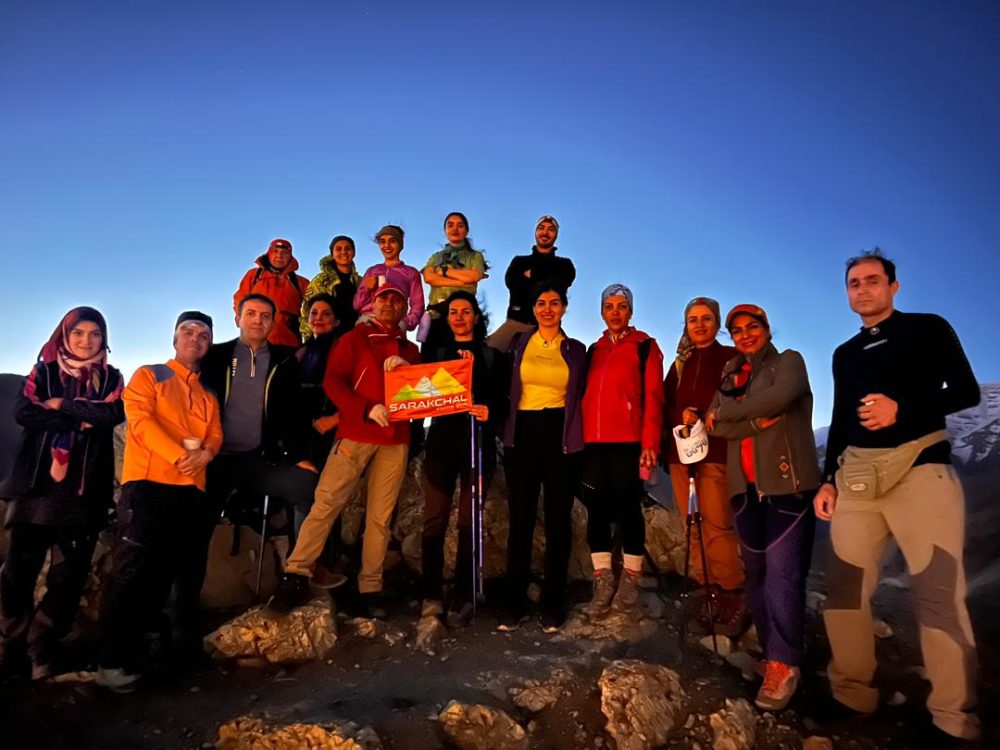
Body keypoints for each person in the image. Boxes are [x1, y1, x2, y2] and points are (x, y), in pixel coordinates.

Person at [814, 250, 981, 744]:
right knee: (845, 589)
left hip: (920, 468)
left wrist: (901, 408)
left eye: (872, 280)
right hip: (856, 476)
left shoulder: (928, 328)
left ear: (893, 286)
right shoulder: (845, 353)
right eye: (854, 283)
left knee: (938, 592)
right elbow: (842, 418)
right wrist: (828, 479)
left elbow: (966, 391)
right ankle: (852, 693)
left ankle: (953, 719)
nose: (862, 289)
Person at [269, 283, 420, 619]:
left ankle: (371, 586)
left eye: (396, 300)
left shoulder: (410, 350)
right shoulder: (353, 339)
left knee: (380, 517)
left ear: (404, 309)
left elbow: (420, 394)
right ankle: (296, 573)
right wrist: (366, 408)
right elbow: (333, 382)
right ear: (372, 305)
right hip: (356, 433)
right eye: (383, 298)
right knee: (327, 502)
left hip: (395, 438)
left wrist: (408, 372)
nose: (389, 304)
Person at [96, 312, 222, 691]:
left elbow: (215, 434)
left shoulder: (207, 394)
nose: (195, 338)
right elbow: (140, 421)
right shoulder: (150, 375)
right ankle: (110, 660)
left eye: (203, 334)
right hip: (148, 485)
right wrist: (180, 456)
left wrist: (207, 454)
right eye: (188, 331)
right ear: (175, 338)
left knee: (167, 574)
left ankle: (148, 654)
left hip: (190, 492)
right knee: (132, 571)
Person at [706, 304, 819, 711]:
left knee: (783, 576)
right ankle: (774, 655)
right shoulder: (731, 376)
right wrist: (751, 422)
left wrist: (728, 413)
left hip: (788, 485)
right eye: (737, 330)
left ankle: (784, 663)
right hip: (745, 489)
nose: (745, 335)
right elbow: (716, 426)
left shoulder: (789, 362)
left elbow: (778, 398)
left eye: (752, 327)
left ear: (767, 329)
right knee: (755, 574)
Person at [0, 308, 124, 680]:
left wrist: (61, 405)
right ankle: (12, 645)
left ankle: (43, 645)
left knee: (68, 576)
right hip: (36, 488)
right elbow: (25, 412)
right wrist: (81, 417)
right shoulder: (43, 373)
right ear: (65, 336)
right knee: (17, 573)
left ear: (104, 339)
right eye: (78, 333)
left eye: (95, 334)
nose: (87, 341)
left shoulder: (112, 378)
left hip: (83, 492)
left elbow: (111, 415)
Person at [198, 294, 316, 620]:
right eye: (250, 313)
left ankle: (297, 575)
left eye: (265, 315)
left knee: (307, 486)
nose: (257, 320)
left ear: (273, 322)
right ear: (237, 318)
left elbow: (296, 413)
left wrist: (297, 456)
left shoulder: (284, 361)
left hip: (260, 459)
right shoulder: (215, 356)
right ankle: (184, 600)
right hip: (215, 459)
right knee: (194, 516)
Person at [500, 283, 586, 633]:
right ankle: (514, 602)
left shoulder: (577, 349)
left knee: (557, 521)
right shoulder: (518, 343)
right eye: (540, 303)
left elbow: (582, 396)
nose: (547, 309)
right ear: (533, 309)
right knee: (520, 519)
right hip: (522, 431)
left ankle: (553, 603)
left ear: (564, 307)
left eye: (554, 303)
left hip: (559, 435)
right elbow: (499, 382)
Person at [419, 291, 506, 628]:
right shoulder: (436, 354)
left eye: (465, 311)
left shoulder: (491, 356)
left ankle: (464, 594)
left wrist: (489, 411)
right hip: (441, 443)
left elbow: (502, 400)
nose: (459, 317)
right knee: (434, 519)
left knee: (469, 521)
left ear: (476, 317)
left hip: (477, 444)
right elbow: (418, 393)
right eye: (453, 311)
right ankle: (431, 593)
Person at [662, 297, 747, 635]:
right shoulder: (680, 364)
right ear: (686, 325)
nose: (699, 324)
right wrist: (679, 415)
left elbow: (744, 401)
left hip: (716, 454)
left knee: (717, 525)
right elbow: (665, 404)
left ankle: (731, 592)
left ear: (717, 323)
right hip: (682, 455)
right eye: (693, 319)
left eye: (706, 318)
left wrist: (716, 415)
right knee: (692, 524)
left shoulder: (731, 358)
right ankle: (706, 587)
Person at [580, 284, 664, 616]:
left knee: (629, 510)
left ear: (630, 310)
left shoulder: (644, 346)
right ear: (602, 312)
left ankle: (630, 579)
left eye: (622, 306)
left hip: (629, 442)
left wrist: (650, 443)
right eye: (609, 306)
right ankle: (603, 579)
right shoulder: (594, 350)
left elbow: (654, 397)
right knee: (597, 511)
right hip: (593, 443)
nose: (615, 312)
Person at [294, 294, 350, 588]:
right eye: (314, 313)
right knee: (305, 496)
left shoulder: (344, 349)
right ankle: (302, 564)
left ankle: (326, 565)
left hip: (333, 432)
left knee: (329, 498)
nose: (319, 318)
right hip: (306, 434)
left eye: (326, 313)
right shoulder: (302, 352)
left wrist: (335, 419)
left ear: (337, 320)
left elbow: (357, 389)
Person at [487, 216, 576, 353]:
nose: (545, 232)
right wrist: (546, 278)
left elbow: (560, 283)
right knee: (486, 352)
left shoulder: (564, 265)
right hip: (515, 323)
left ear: (556, 235)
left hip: (548, 328)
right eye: (541, 228)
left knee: (570, 358)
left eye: (551, 229)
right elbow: (511, 282)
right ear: (535, 232)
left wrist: (531, 275)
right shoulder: (519, 261)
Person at [419, 212, 487, 350]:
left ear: (466, 230)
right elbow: (429, 278)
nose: (455, 229)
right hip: (435, 313)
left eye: (460, 225)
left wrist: (445, 272)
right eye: (450, 225)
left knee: (464, 356)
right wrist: (462, 282)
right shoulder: (435, 257)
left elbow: (474, 276)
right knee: (430, 356)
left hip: (462, 314)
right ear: (445, 230)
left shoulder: (475, 256)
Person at [233, 238, 310, 347]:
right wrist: (239, 316)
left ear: (290, 257)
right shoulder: (253, 276)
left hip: (289, 343)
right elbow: (240, 298)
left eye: (284, 253)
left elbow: (314, 307)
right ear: (269, 254)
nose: (279, 256)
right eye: (275, 251)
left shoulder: (301, 282)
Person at [354, 225, 424, 332]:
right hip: (368, 322)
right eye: (382, 241)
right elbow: (357, 305)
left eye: (392, 241)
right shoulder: (372, 271)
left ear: (400, 245)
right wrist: (367, 289)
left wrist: (404, 323)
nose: (387, 245)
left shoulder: (411, 273)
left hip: (394, 324)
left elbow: (418, 306)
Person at [300, 235, 362, 340]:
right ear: (332, 254)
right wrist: (311, 339)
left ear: (353, 253)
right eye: (338, 249)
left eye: (347, 248)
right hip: (328, 339)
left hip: (355, 339)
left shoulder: (360, 282)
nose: (343, 252)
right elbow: (307, 311)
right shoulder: (321, 280)